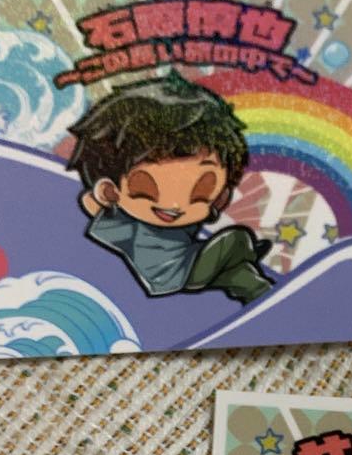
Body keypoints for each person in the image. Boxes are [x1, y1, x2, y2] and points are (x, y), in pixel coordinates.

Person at [67, 72, 273, 303]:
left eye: (200, 192)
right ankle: (245, 254)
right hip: (179, 275)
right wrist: (99, 201)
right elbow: (93, 208)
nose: (174, 205)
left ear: (220, 196)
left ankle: (255, 287)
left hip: (191, 262)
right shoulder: (125, 225)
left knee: (237, 275)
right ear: (111, 191)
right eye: (147, 189)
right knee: (236, 237)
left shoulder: (161, 221)